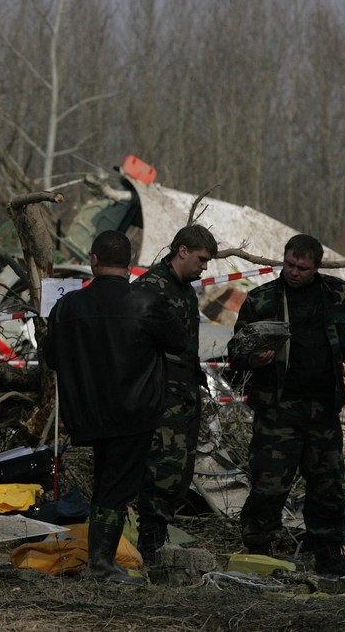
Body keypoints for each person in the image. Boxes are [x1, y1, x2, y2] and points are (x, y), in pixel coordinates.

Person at [228, 234, 345, 578]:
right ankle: (259, 549)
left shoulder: (337, 295)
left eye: (302, 267)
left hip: (323, 409)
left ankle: (328, 554)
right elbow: (235, 352)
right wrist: (253, 358)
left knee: (327, 486)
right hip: (277, 410)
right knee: (269, 486)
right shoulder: (262, 299)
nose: (294, 272)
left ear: (316, 266)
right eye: (289, 265)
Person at [43, 230, 187, 585]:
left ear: (94, 260)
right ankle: (103, 564)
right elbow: (180, 342)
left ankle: (102, 559)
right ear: (130, 263)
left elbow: (50, 356)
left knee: (107, 482)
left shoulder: (67, 306)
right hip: (133, 410)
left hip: (87, 413)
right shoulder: (146, 302)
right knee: (116, 488)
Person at [132, 225, 218, 566]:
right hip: (158, 397)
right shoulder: (150, 289)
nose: (204, 267)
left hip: (181, 396)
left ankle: (158, 537)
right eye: (201, 259)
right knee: (158, 470)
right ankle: (149, 543)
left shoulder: (185, 290)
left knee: (176, 471)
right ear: (182, 251)